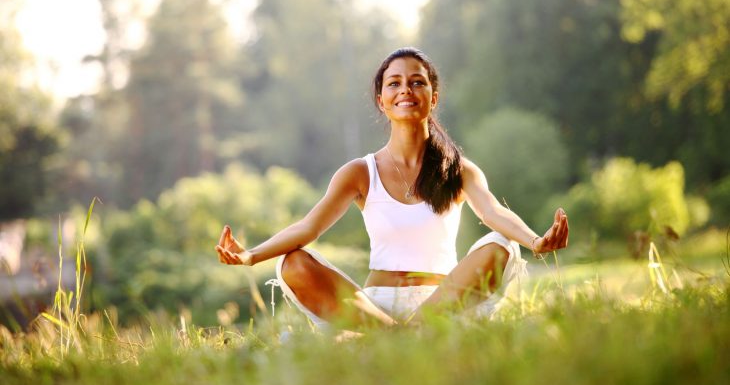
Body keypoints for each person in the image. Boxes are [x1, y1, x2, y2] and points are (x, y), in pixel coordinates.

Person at [216, 47, 569, 329]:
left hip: (442, 304)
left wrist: (536, 241)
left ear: (433, 98)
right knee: (292, 263)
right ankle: (397, 336)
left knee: (501, 246)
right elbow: (307, 228)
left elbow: (493, 212)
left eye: (417, 82)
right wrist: (250, 256)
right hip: (374, 310)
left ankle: (412, 332)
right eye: (395, 83)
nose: (406, 90)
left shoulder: (459, 171)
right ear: (382, 100)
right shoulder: (359, 173)